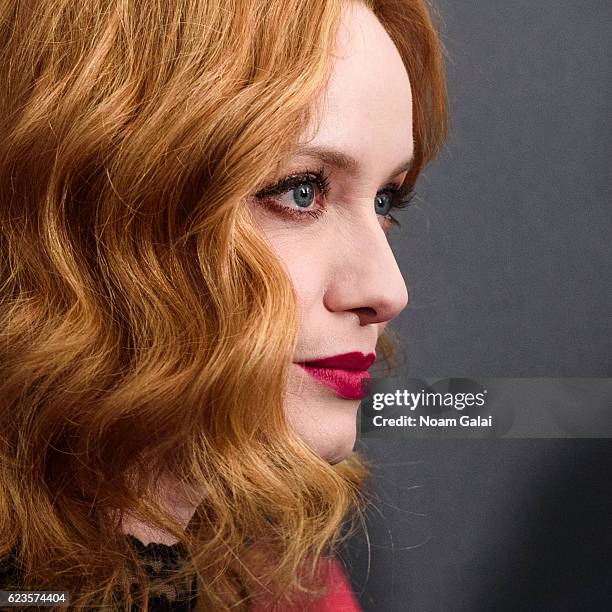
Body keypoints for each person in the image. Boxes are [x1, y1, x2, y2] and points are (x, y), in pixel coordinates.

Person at [0, 0, 447, 609]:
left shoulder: (287, 590)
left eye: (384, 201)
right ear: (93, 204)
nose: (388, 291)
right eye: (302, 190)